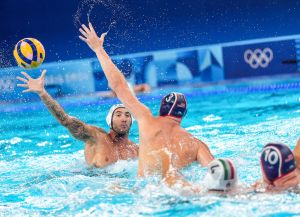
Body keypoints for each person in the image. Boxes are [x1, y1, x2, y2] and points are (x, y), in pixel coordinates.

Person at [78, 22, 214, 187]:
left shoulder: (147, 120)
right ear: (183, 115)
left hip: (147, 192)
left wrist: (98, 49)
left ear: (161, 109)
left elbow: (118, 85)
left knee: (114, 187)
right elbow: (217, 173)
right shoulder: (195, 144)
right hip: (179, 188)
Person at [16, 70, 139, 168]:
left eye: (127, 115)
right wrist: (42, 93)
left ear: (132, 121)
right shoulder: (96, 137)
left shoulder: (135, 150)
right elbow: (65, 120)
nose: (123, 119)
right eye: (118, 115)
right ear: (110, 121)